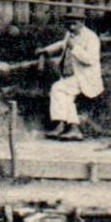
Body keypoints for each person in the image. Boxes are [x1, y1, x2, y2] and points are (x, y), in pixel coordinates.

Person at [35, 13, 103, 141]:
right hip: (71, 76)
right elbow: (63, 44)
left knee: (57, 88)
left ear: (82, 22)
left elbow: (89, 60)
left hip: (86, 77)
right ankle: (74, 129)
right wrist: (45, 50)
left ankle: (60, 124)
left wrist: (74, 47)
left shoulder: (91, 38)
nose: (71, 27)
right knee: (66, 96)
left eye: (74, 24)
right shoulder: (70, 34)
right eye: (68, 24)